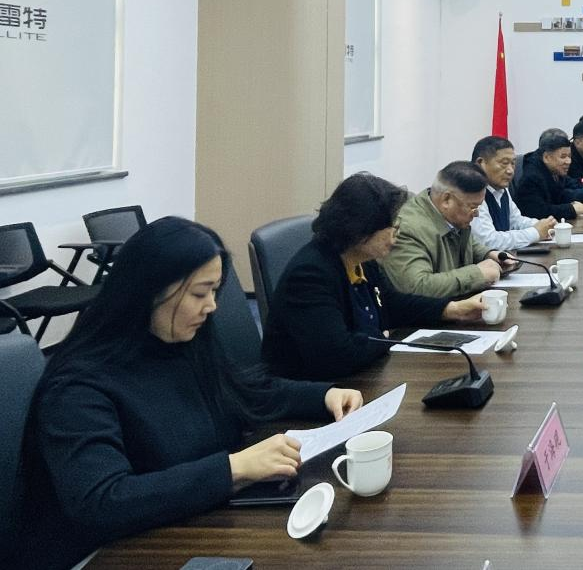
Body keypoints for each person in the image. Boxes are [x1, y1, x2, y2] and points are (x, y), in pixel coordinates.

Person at [19, 218, 364, 570]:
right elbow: (103, 501)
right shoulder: (77, 386)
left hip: (185, 526)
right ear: (148, 292)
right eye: (200, 293)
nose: (212, 305)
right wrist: (234, 468)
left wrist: (323, 395)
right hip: (107, 554)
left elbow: (244, 391)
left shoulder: (178, 339)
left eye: (214, 291)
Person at [263, 172, 488, 380]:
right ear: (361, 228)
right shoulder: (311, 275)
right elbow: (337, 356)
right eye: (392, 228)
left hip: (362, 376)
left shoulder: (361, 258)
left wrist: (451, 309)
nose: (395, 238)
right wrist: (381, 338)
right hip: (317, 391)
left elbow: (391, 304)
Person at [385, 161, 521, 298]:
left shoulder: (450, 216)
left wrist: (489, 254)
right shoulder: (408, 229)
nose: (476, 214)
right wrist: (477, 275)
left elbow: (466, 244)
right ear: (447, 200)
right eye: (473, 207)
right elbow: (417, 286)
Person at [469, 135, 558, 251]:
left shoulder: (501, 189)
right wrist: (535, 233)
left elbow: (516, 221)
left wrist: (544, 225)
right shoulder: (472, 193)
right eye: (504, 163)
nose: (510, 171)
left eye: (513, 163)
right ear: (481, 163)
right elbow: (488, 241)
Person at [512, 128, 583, 222]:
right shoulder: (532, 177)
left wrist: (573, 204)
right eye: (563, 157)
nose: (568, 161)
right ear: (546, 157)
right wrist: (571, 209)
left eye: (569, 156)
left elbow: (561, 195)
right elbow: (538, 212)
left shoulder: (554, 170)